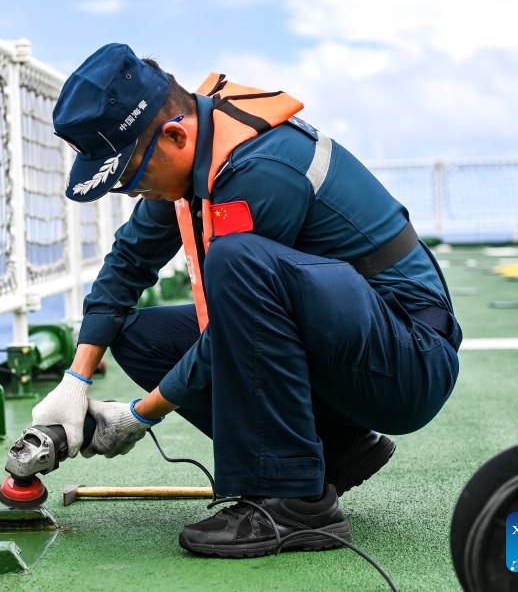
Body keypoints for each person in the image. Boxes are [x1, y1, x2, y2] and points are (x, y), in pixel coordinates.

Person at [31, 42, 461, 558]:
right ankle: (334, 451)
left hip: (408, 360)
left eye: (131, 177)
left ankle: (297, 503)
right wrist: (75, 380)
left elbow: (232, 332)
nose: (134, 193)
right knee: (141, 337)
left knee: (236, 261)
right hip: (352, 346)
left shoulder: (262, 170)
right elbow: (126, 265)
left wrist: (142, 414)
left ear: (174, 135)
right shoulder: (193, 162)